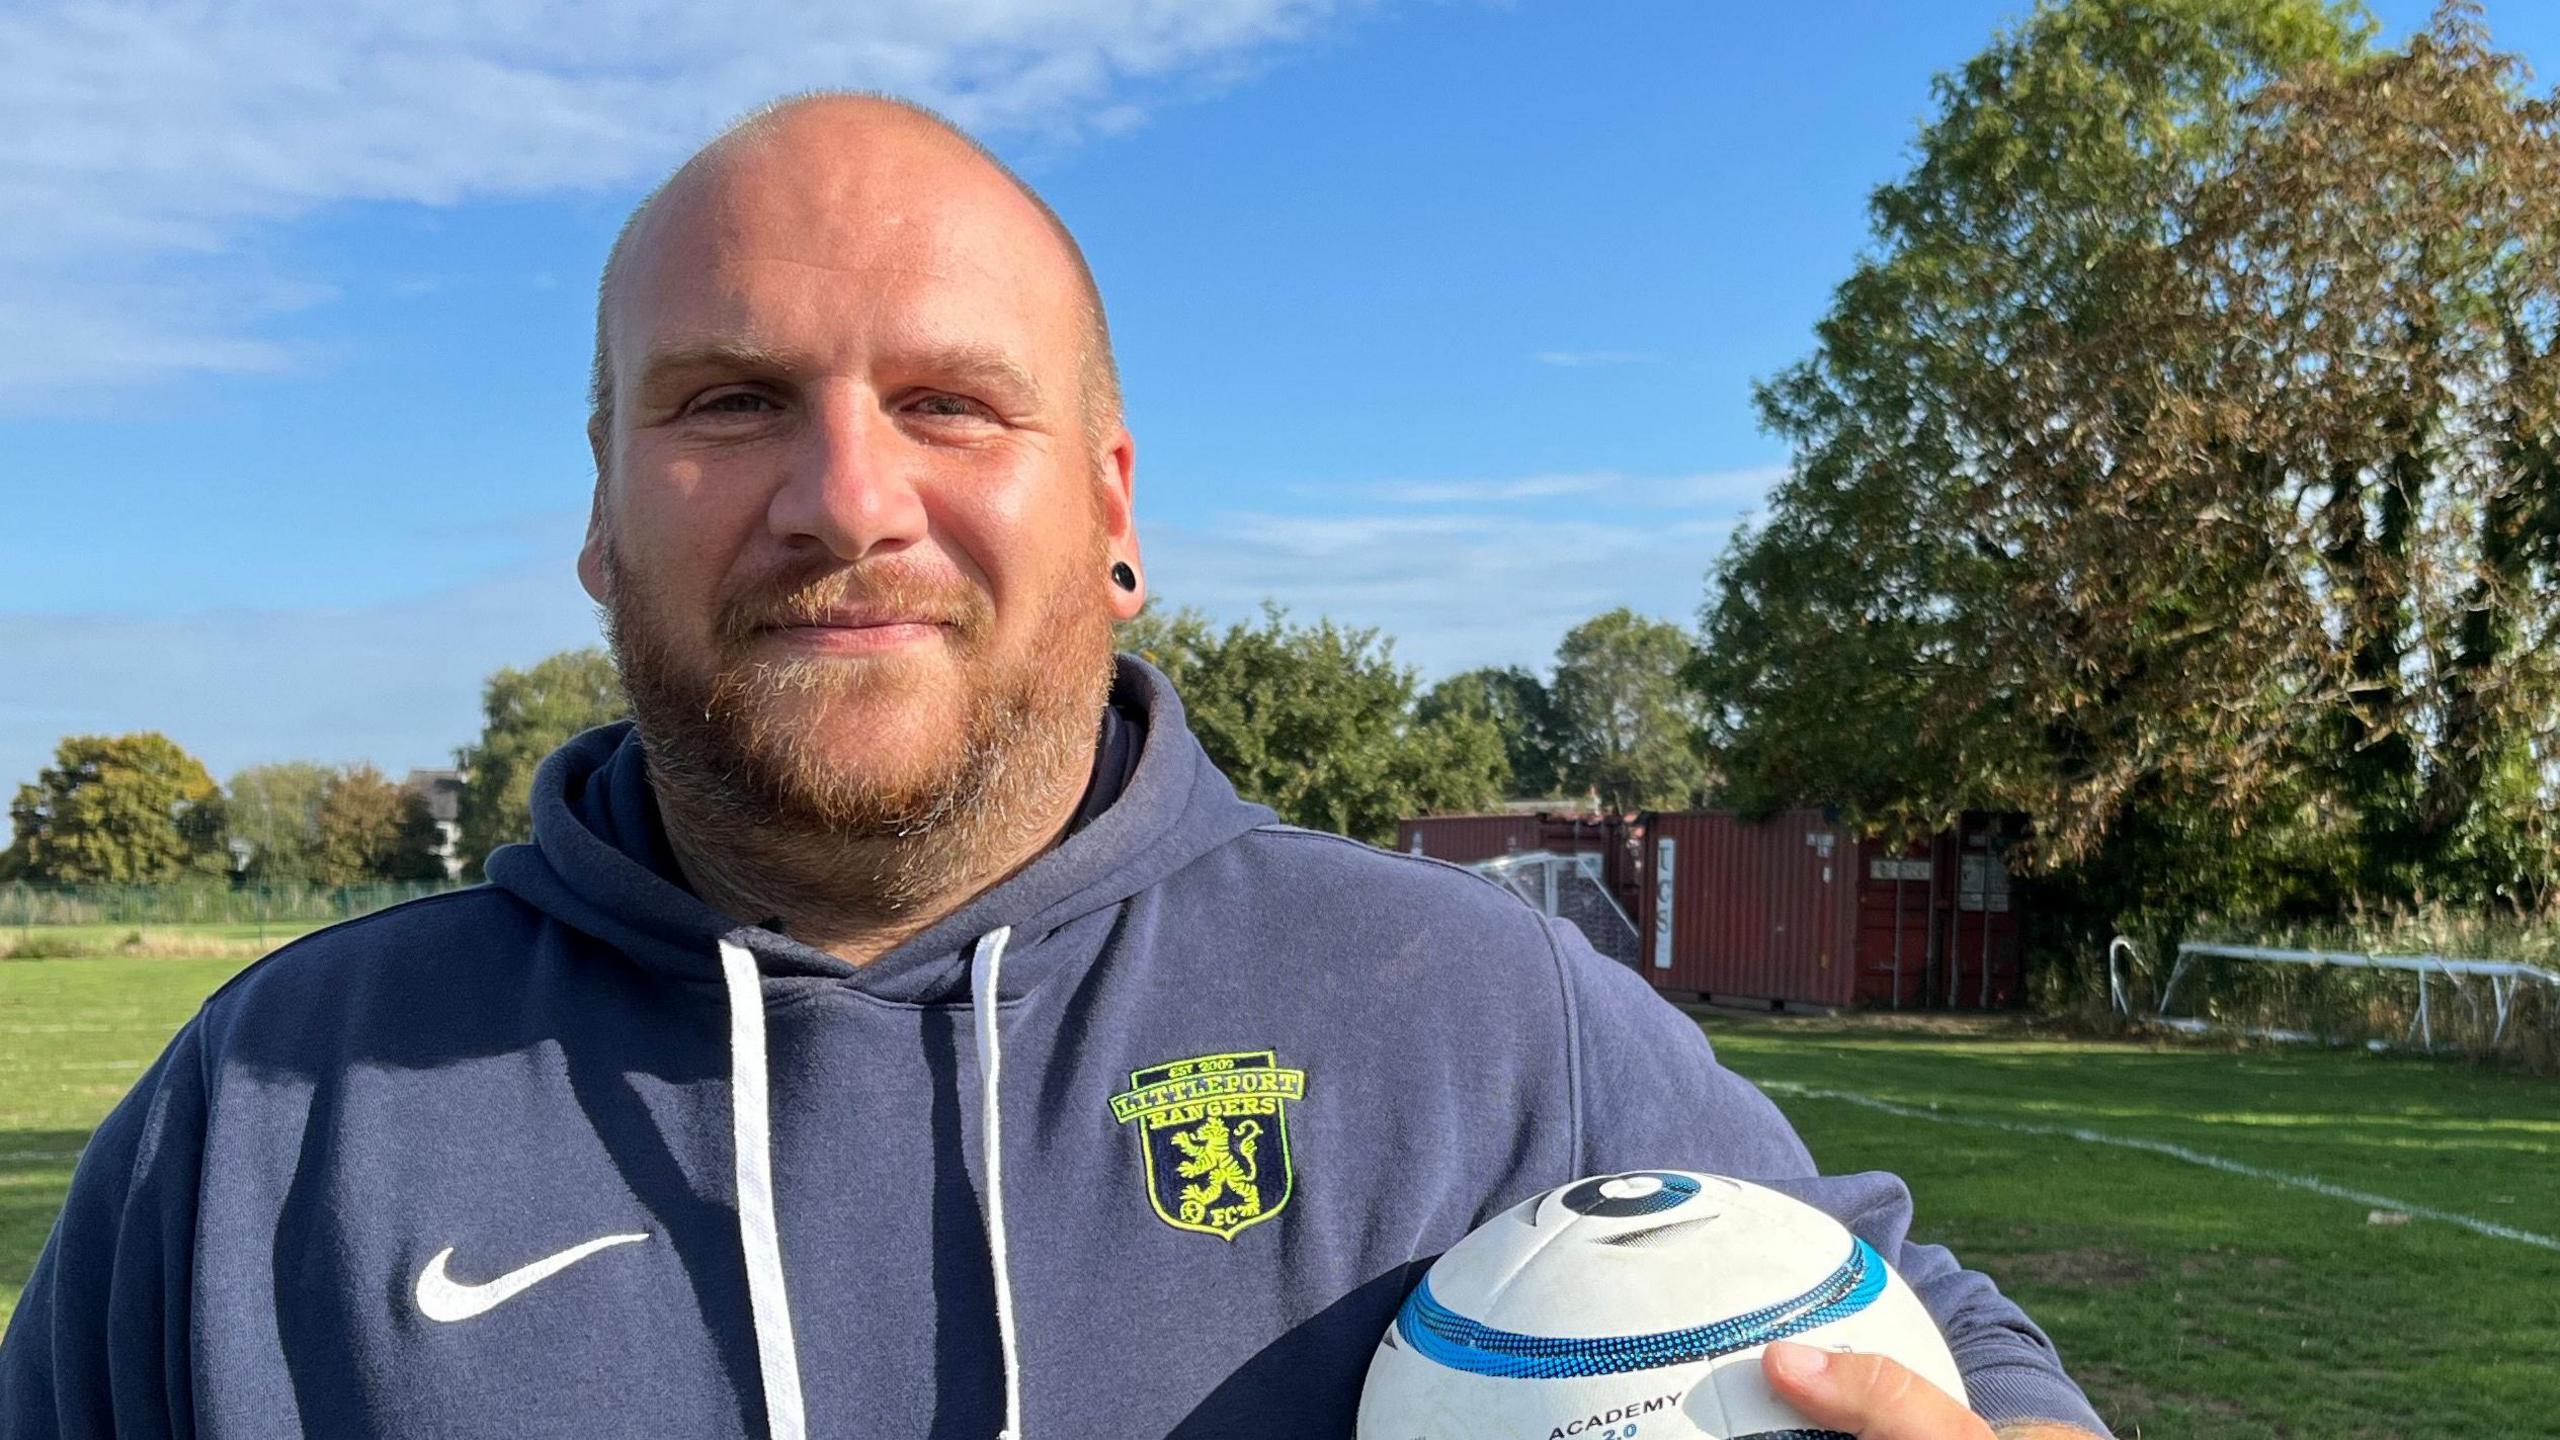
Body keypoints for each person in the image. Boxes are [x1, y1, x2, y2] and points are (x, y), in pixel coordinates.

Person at [0, 94, 2109, 1440]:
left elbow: (1937, 1350)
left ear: (1110, 506)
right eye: (729, 401)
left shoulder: (1472, 1021)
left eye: (947, 403)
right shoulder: (269, 1122)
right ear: (598, 513)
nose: (843, 497)